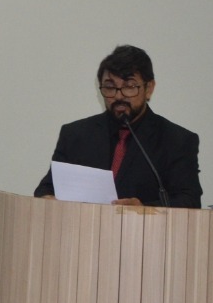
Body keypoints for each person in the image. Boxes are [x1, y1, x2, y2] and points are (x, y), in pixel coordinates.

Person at [33, 44, 201, 207]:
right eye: (110, 87)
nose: (119, 96)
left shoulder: (177, 141)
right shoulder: (76, 135)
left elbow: (189, 200)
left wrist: (144, 209)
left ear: (149, 88)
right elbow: (46, 189)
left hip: (144, 227)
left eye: (129, 86)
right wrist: (48, 199)